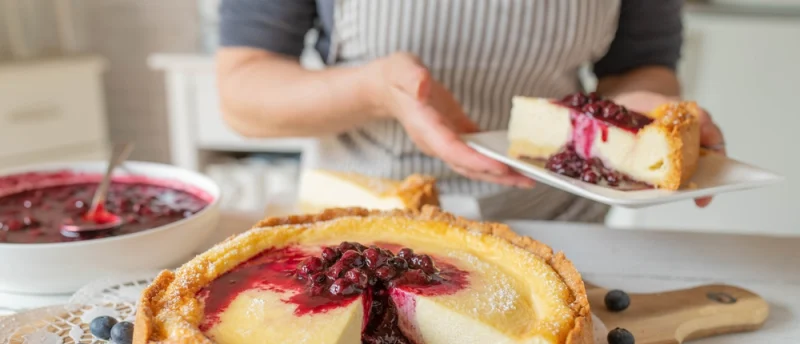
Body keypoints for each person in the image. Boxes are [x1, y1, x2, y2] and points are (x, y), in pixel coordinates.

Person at [216, 0, 726, 221]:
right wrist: (374, 91)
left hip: (558, 221)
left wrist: (637, 115)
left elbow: (643, 67)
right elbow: (242, 89)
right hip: (364, 213)